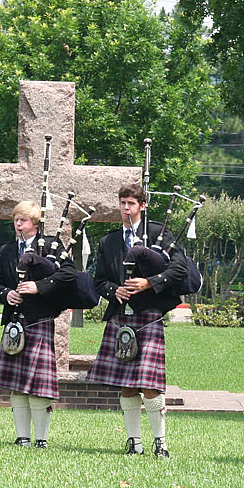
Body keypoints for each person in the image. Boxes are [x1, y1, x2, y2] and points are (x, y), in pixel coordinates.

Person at [89, 184, 195, 457]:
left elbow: (179, 268)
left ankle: (160, 441)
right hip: (120, 317)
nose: (126, 208)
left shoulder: (159, 233)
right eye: (122, 203)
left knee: (150, 384)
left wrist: (150, 282)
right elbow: (99, 281)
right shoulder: (109, 241)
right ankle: (134, 441)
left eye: (131, 204)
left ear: (142, 206)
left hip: (148, 315)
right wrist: (115, 291)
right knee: (126, 384)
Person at [0, 202, 76, 448]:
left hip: (39, 320)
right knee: (16, 384)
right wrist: (6, 294)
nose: (18, 224)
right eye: (16, 220)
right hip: (14, 322)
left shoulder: (50, 246)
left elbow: (69, 274)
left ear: (36, 225)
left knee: (39, 386)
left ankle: (41, 438)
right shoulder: (7, 250)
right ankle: (22, 437)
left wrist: (39, 286)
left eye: (23, 220)